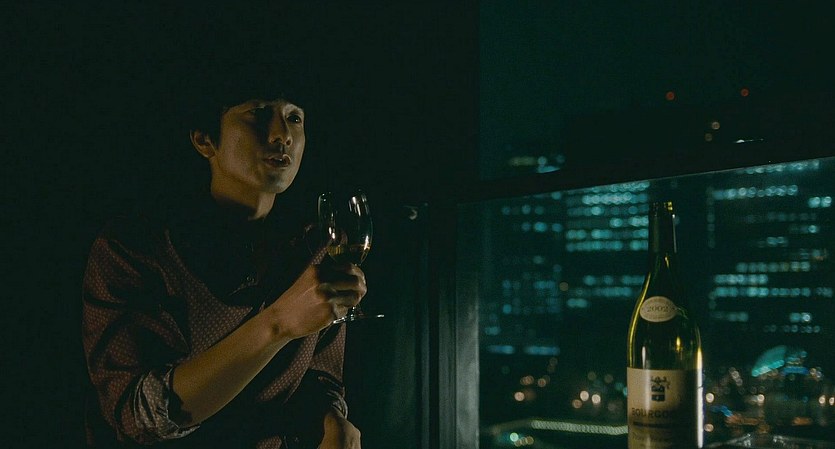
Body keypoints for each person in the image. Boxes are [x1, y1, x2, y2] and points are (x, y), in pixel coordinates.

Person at [81, 73, 366, 448]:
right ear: (205, 140)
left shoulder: (314, 248)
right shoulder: (136, 250)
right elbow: (140, 416)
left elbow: (320, 378)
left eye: (294, 117)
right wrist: (278, 323)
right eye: (259, 113)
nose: (282, 135)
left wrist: (332, 420)